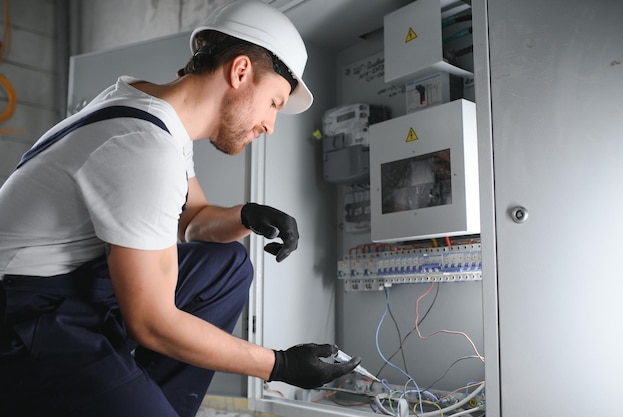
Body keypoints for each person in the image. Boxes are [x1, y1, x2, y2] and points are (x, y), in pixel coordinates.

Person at [0, 1, 359, 416]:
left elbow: (191, 222)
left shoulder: (150, 112)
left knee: (227, 264)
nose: (270, 125)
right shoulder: (143, 146)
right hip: (23, 318)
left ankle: (136, 393)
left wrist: (245, 215)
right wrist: (278, 365)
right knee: (161, 321)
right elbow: (151, 322)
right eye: (274, 103)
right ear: (240, 72)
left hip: (63, 287)